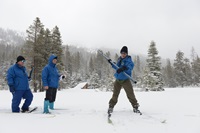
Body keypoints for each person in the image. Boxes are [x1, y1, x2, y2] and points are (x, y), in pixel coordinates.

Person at [108, 46, 139, 113]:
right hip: (118, 79)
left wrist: (124, 68)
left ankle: (135, 106)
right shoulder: (120, 59)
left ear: (127, 54)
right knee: (115, 94)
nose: (123, 54)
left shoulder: (128, 60)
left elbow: (130, 66)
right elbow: (117, 67)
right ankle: (111, 106)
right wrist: (111, 63)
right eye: (122, 53)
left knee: (130, 94)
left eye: (124, 53)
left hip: (125, 80)